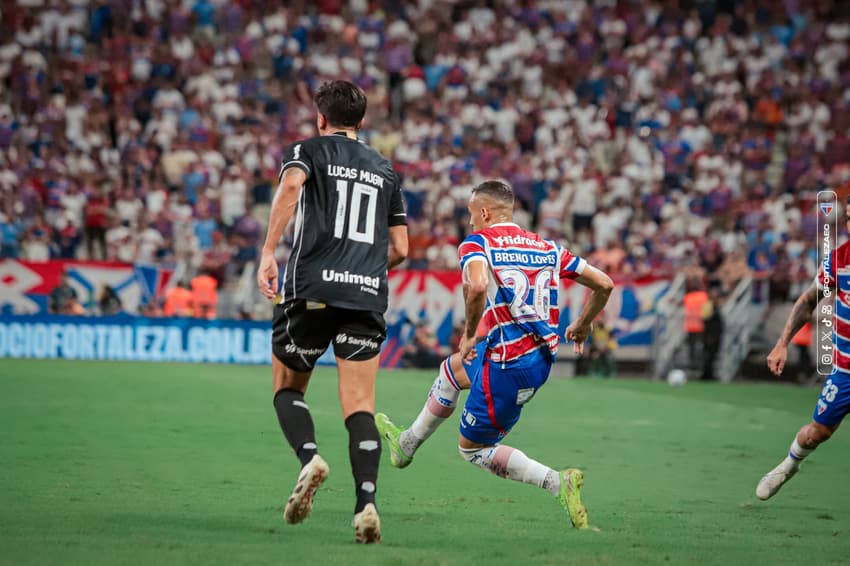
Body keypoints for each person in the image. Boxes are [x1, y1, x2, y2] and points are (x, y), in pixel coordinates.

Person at [375, 180, 613, 529]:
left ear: (484, 213)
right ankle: (406, 444)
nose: (470, 223)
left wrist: (470, 333)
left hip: (509, 364)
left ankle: (556, 481)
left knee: (472, 449)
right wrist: (582, 323)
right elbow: (604, 283)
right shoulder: (548, 248)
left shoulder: (478, 243)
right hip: (535, 355)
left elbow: (477, 285)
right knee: (452, 371)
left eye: (472, 215)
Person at [256, 80, 408, 543]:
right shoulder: (385, 170)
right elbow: (401, 248)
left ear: (321, 118)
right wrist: (360, 268)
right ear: (361, 122)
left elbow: (290, 188)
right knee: (360, 406)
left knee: (287, 388)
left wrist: (268, 252)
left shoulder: (309, 149)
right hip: (365, 295)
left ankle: (310, 459)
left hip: (313, 289)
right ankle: (366, 504)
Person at [756, 201, 850, 500]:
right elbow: (808, 301)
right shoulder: (839, 259)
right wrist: (782, 343)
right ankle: (788, 466)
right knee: (818, 432)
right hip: (845, 371)